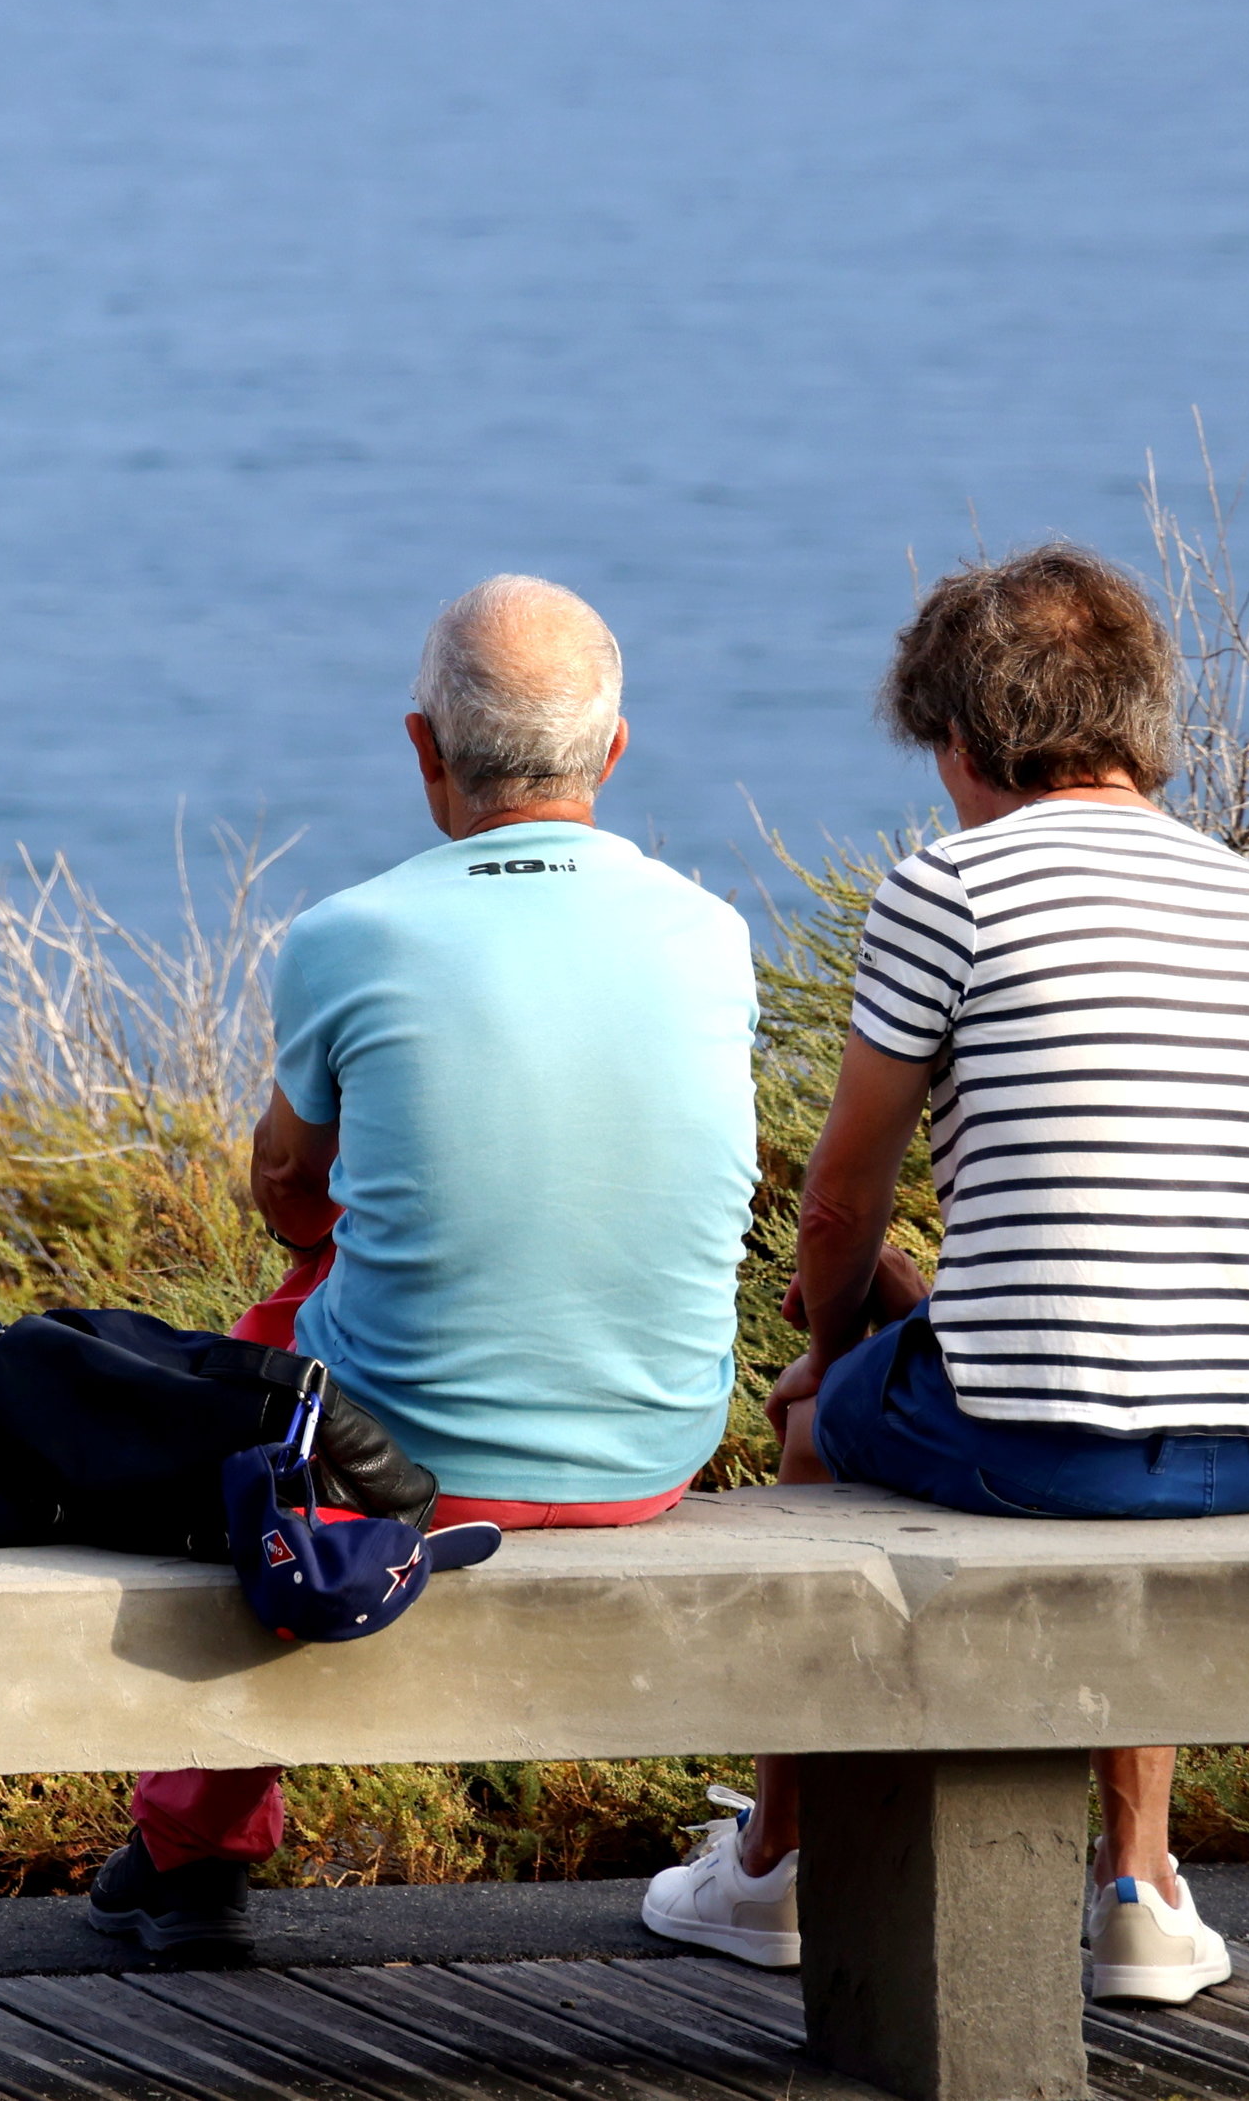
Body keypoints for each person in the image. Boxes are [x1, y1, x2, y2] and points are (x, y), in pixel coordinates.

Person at [639, 544, 1249, 2009]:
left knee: (819, 1421)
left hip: (1047, 1433)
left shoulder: (952, 886)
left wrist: (835, 1346)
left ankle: (774, 1867)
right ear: (1137, 727)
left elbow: (838, 1203)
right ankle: (1140, 1884)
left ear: (963, 742)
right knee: (1056, 1383)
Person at [86, 574, 759, 1967]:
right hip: (654, 1444)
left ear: (420, 746)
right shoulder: (712, 933)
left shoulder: (352, 935)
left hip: (416, 1458)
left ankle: (193, 1846)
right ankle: (182, 1847)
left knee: (263, 1397)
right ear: (613, 754)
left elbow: (285, 1190)